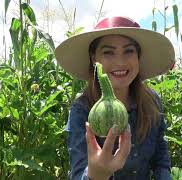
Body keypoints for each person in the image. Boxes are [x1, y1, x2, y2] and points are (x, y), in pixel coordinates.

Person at [55, 16, 175, 180]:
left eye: (129, 51)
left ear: (138, 56)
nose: (120, 61)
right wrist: (95, 175)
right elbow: (78, 172)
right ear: (94, 59)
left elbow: (161, 160)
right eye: (108, 52)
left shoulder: (152, 101)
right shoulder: (82, 109)